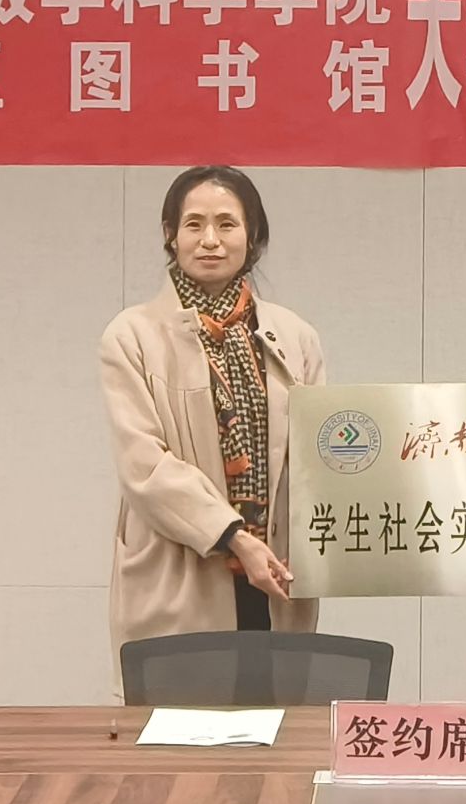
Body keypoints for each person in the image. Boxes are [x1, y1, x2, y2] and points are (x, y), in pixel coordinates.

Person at [101, 165, 326, 670]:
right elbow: (144, 466)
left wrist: (325, 546)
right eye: (193, 224)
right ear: (170, 235)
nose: (210, 240)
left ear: (253, 235)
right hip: (181, 574)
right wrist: (235, 538)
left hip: (276, 575)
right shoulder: (131, 335)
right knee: (183, 713)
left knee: (277, 710)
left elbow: (317, 460)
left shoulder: (296, 336)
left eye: (227, 224)